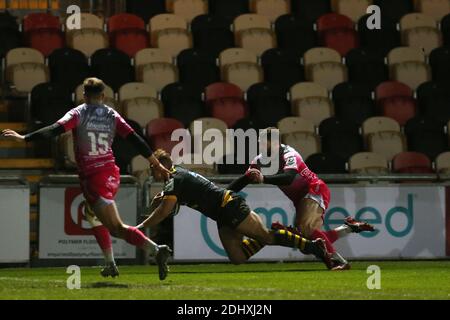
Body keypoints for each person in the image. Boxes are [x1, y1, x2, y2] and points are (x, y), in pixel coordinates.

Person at [1, 78, 172, 280]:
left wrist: (24, 138)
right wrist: (156, 162)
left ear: (83, 95)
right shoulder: (112, 114)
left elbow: (54, 129)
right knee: (93, 216)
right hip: (111, 172)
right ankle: (110, 263)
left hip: (94, 178)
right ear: (103, 96)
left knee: (116, 229)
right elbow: (135, 139)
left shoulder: (78, 113)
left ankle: (155, 250)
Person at [136, 149, 332, 266]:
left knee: (267, 237)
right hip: (222, 214)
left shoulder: (175, 179)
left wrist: (141, 227)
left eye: (152, 166)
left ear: (161, 164)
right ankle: (278, 232)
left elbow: (164, 211)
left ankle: (313, 247)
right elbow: (171, 202)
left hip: (229, 206)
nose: (151, 170)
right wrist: (161, 199)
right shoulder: (175, 177)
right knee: (237, 257)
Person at [228, 128, 375, 270]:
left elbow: (288, 178)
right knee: (307, 242)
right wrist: (224, 194)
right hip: (300, 199)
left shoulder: (290, 154)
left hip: (315, 190)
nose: (259, 145)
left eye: (261, 142)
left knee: (306, 229)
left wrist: (263, 178)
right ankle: (349, 227)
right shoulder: (259, 160)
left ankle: (337, 261)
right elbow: (245, 179)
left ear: (273, 143)